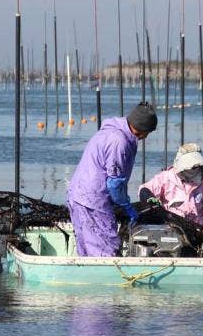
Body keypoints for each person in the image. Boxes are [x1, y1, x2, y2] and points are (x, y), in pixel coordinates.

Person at [67, 102, 158, 257]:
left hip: (77, 196)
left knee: (86, 251)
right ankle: (107, 279)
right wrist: (127, 208)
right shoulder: (119, 141)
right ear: (143, 131)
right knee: (106, 249)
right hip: (93, 201)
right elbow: (114, 184)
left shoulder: (111, 130)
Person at [138, 143, 203, 226]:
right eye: (192, 167)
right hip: (171, 225)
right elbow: (145, 189)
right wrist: (149, 198)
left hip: (199, 225)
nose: (194, 169)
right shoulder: (166, 178)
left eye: (196, 167)